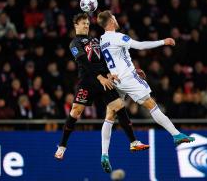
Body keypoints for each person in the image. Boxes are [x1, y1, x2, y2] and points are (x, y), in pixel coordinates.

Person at [54, 13, 149, 173]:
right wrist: (100, 77)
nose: (86, 25)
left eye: (87, 23)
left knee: (119, 107)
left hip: (104, 80)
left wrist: (115, 73)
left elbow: (106, 60)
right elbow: (84, 62)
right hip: (88, 82)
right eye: (83, 23)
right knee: (75, 112)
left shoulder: (95, 40)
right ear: (76, 25)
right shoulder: (74, 43)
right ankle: (62, 146)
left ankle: (133, 142)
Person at [97, 10, 195, 145]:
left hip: (116, 80)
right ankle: (176, 134)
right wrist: (163, 42)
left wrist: (132, 69)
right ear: (111, 21)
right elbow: (140, 45)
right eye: (114, 17)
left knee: (110, 115)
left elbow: (115, 59)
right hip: (128, 79)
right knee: (152, 105)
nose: (116, 19)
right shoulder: (118, 37)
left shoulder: (102, 40)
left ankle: (104, 153)